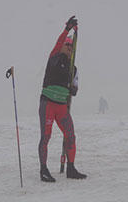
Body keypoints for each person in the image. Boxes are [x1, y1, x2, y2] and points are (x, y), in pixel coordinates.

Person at [38, 16, 87, 182]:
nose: (68, 47)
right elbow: (59, 42)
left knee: (71, 135)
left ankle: (71, 168)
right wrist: (67, 29)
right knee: (46, 136)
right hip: (48, 103)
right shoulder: (54, 57)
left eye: (70, 46)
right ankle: (43, 170)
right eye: (66, 45)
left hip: (61, 107)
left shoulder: (73, 69)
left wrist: (73, 89)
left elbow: (75, 89)